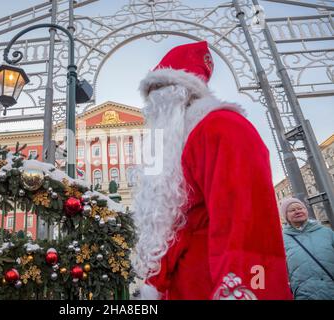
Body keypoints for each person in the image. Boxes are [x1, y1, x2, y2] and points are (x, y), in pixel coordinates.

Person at [132, 41, 293, 300]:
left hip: (214, 285)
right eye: (150, 94)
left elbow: (247, 223)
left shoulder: (222, 127)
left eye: (159, 90)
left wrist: (241, 289)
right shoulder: (180, 146)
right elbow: (177, 230)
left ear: (182, 92)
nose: (153, 105)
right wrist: (156, 284)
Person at [280, 197, 334, 300]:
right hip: (304, 295)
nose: (298, 211)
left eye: (300, 208)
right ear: (286, 216)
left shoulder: (326, 232)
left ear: (306, 210)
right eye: (292, 210)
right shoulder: (281, 240)